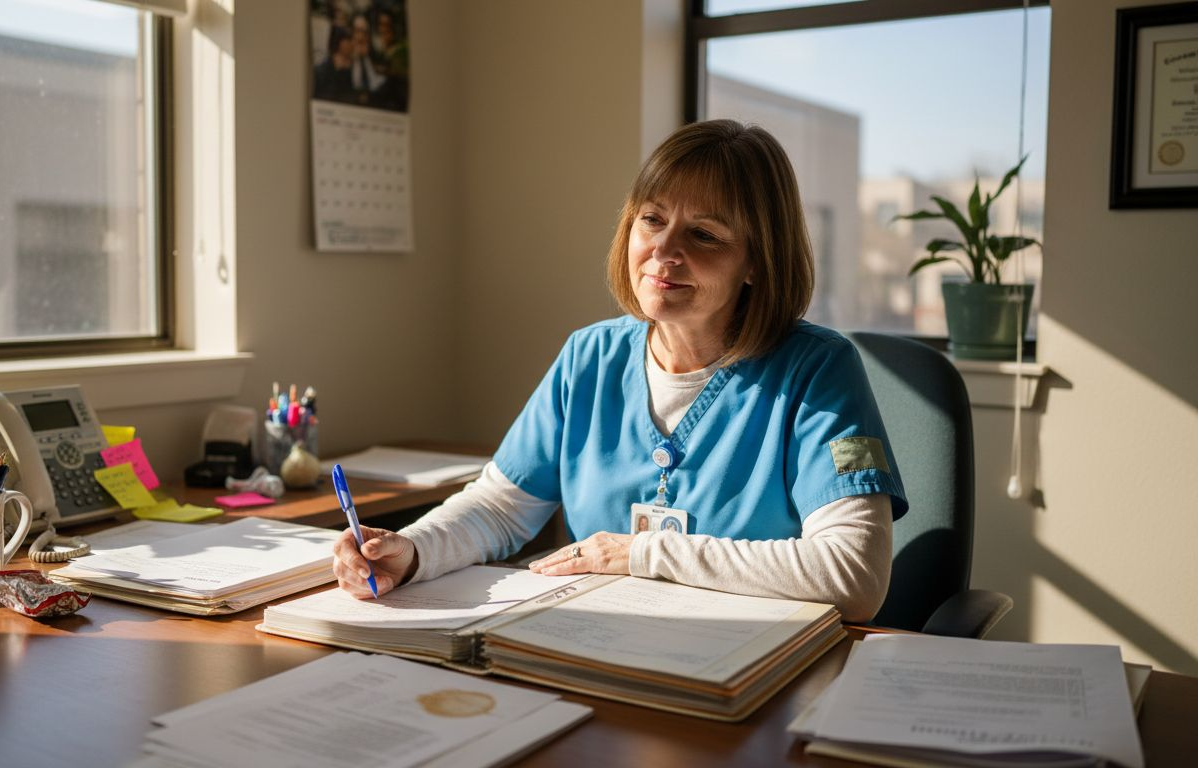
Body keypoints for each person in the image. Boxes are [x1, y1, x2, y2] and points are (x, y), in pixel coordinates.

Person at [333, 120, 907, 622]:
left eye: (703, 235)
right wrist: (410, 551)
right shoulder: (590, 357)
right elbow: (499, 507)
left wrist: (640, 553)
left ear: (758, 260)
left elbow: (854, 575)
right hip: (601, 646)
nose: (662, 252)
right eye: (651, 220)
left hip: (751, 671)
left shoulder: (819, 371)